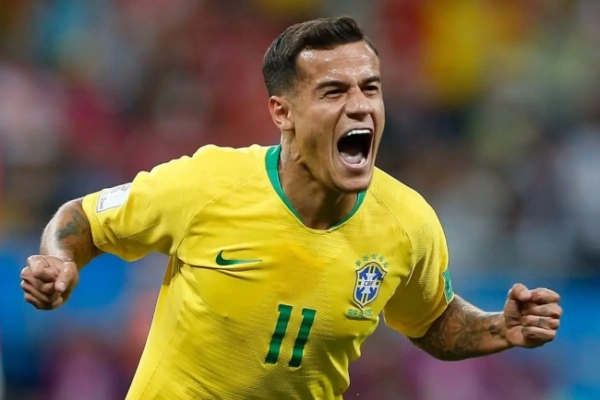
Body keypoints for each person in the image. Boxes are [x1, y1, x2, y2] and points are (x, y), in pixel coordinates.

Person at [20, 16, 562, 400]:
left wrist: (500, 328)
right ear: (283, 112)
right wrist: (59, 261)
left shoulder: (408, 222)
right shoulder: (207, 184)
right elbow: (84, 218)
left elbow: (433, 319)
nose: (360, 106)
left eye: (370, 88)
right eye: (333, 92)